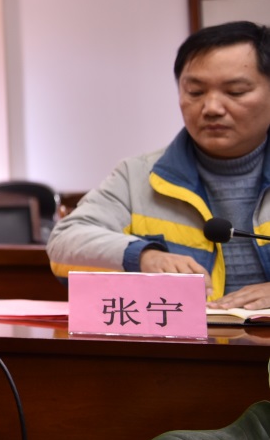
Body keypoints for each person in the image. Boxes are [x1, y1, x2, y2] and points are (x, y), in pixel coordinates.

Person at [47, 20, 270, 310]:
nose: (212, 108)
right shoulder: (137, 176)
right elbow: (64, 244)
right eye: (195, 92)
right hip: (181, 337)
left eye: (236, 91)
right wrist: (143, 256)